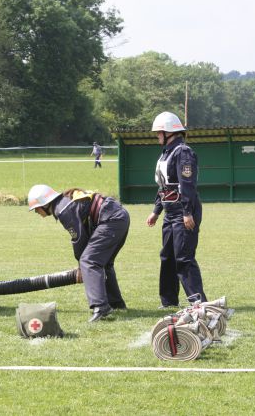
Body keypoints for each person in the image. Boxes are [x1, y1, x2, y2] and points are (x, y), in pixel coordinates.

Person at [27, 184, 129, 322]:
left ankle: (101, 307)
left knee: (89, 261)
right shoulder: (64, 202)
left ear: (44, 204)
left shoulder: (63, 210)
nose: (36, 212)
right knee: (104, 263)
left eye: (36, 208)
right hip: (119, 217)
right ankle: (116, 304)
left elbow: (79, 238)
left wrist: (81, 266)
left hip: (111, 220)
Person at [146, 112, 207, 308]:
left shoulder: (183, 152)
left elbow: (187, 185)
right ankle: (169, 301)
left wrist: (187, 213)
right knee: (167, 257)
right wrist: (156, 211)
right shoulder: (167, 152)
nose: (157, 136)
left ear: (168, 132)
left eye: (159, 133)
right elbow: (164, 186)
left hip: (183, 212)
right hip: (169, 213)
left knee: (184, 258)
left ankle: (198, 303)